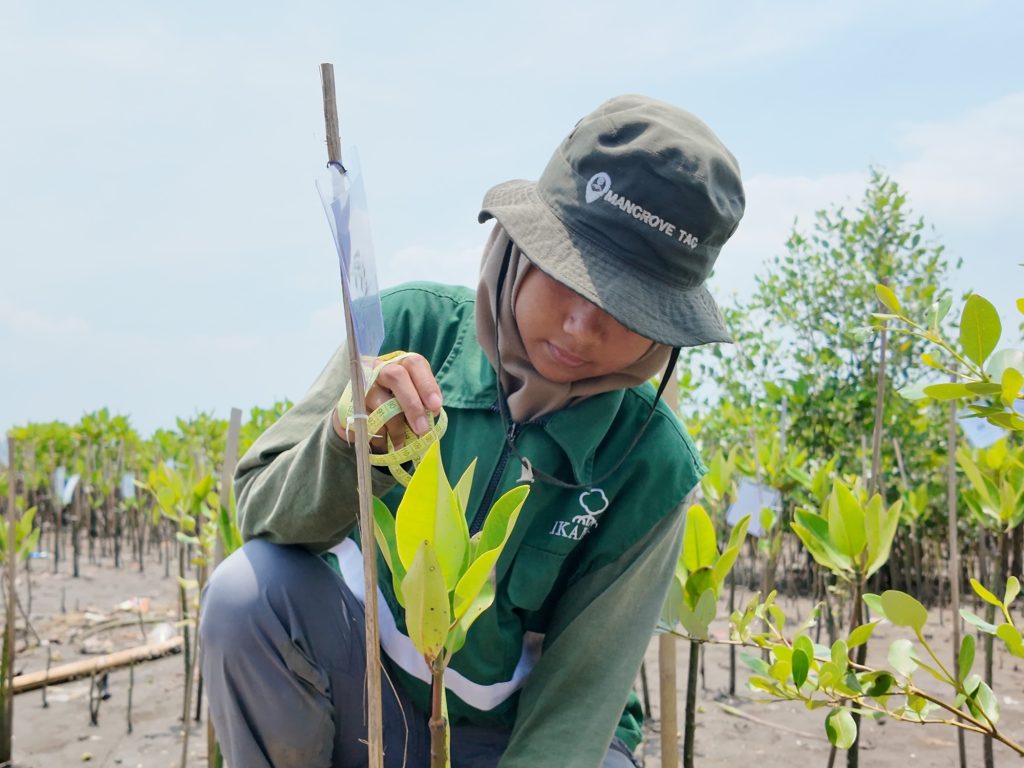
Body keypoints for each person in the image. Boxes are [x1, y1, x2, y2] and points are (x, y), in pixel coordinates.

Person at [200, 94, 745, 768]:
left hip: (514, 739)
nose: (581, 327)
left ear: (668, 325)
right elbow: (257, 510)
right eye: (567, 276)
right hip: (362, 696)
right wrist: (347, 443)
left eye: (624, 306)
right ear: (519, 245)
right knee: (245, 594)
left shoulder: (652, 466)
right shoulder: (404, 329)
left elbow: (578, 706)